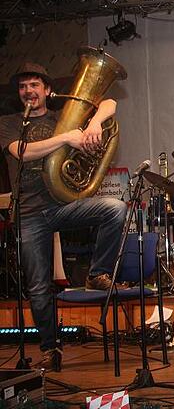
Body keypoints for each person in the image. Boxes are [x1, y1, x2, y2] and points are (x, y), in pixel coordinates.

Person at [0, 62, 128, 371]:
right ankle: (50, 347)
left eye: (34, 85)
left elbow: (109, 102)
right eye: (22, 86)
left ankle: (97, 273)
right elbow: (21, 151)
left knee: (115, 209)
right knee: (39, 287)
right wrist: (65, 139)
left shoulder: (61, 117)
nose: (28, 91)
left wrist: (95, 123)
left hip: (61, 206)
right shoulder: (9, 122)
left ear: (46, 89)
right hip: (29, 214)